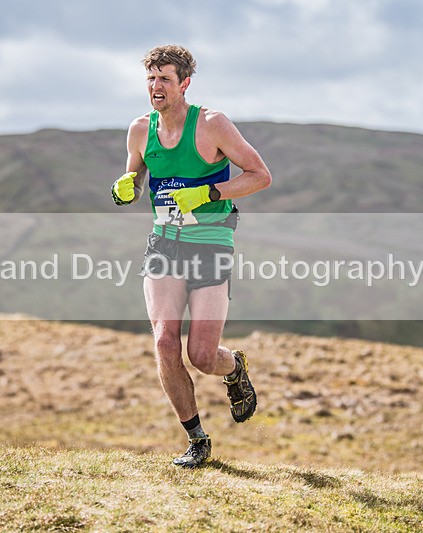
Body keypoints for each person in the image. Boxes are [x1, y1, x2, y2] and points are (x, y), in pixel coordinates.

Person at [110, 44, 272, 468]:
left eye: (165, 79)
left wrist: (210, 192)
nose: (156, 86)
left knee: (202, 356)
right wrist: (125, 186)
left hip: (211, 243)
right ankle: (197, 439)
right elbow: (135, 174)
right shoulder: (139, 129)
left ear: (184, 84)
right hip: (164, 242)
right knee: (165, 341)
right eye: (150, 79)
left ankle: (234, 367)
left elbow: (260, 176)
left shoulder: (213, 124)